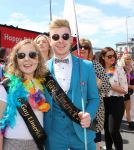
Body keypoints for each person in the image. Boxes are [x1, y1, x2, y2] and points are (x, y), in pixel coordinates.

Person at [44, 19, 99, 150]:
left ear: (71, 40)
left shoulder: (87, 66)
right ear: (50, 41)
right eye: (55, 37)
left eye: (65, 36)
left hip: (82, 133)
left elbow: (94, 98)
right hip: (54, 135)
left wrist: (89, 114)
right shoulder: (41, 69)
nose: (60, 40)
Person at [0, 39, 49, 150]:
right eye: (21, 55)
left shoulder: (43, 85)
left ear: (38, 58)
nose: (27, 59)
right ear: (16, 60)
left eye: (32, 55)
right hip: (14, 145)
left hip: (38, 144)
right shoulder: (5, 87)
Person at [76, 38, 111, 150]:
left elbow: (107, 86)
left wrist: (95, 80)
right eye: (80, 46)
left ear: (90, 50)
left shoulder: (95, 65)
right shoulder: (73, 65)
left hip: (94, 111)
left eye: (85, 47)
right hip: (76, 110)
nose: (82, 49)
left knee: (93, 140)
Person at [99, 47, 128, 150]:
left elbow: (125, 90)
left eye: (114, 56)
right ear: (103, 57)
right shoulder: (100, 70)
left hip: (116, 101)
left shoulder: (118, 69)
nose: (113, 58)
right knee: (106, 131)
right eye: (109, 56)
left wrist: (108, 85)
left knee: (113, 131)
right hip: (103, 101)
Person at [118, 53, 134, 130]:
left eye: (129, 58)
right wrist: (131, 86)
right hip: (120, 91)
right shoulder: (120, 68)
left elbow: (131, 79)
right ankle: (116, 124)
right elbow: (120, 83)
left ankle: (130, 123)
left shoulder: (130, 68)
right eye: (127, 58)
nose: (128, 60)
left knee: (128, 108)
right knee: (120, 109)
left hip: (127, 91)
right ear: (123, 60)